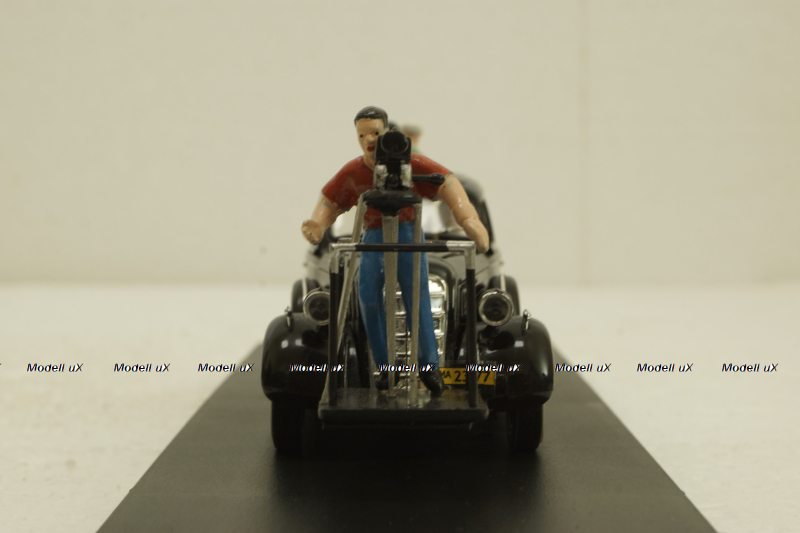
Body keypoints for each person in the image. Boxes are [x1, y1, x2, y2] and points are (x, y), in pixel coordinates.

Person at [301, 106, 489, 396]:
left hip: (408, 234)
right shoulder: (353, 171)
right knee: (367, 297)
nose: (369, 139)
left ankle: (429, 366)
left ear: (388, 132)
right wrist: (318, 223)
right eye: (362, 135)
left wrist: (468, 219)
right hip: (372, 237)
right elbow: (331, 200)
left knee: (418, 297)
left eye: (375, 132)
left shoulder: (411, 164)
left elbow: (447, 182)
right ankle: (386, 366)